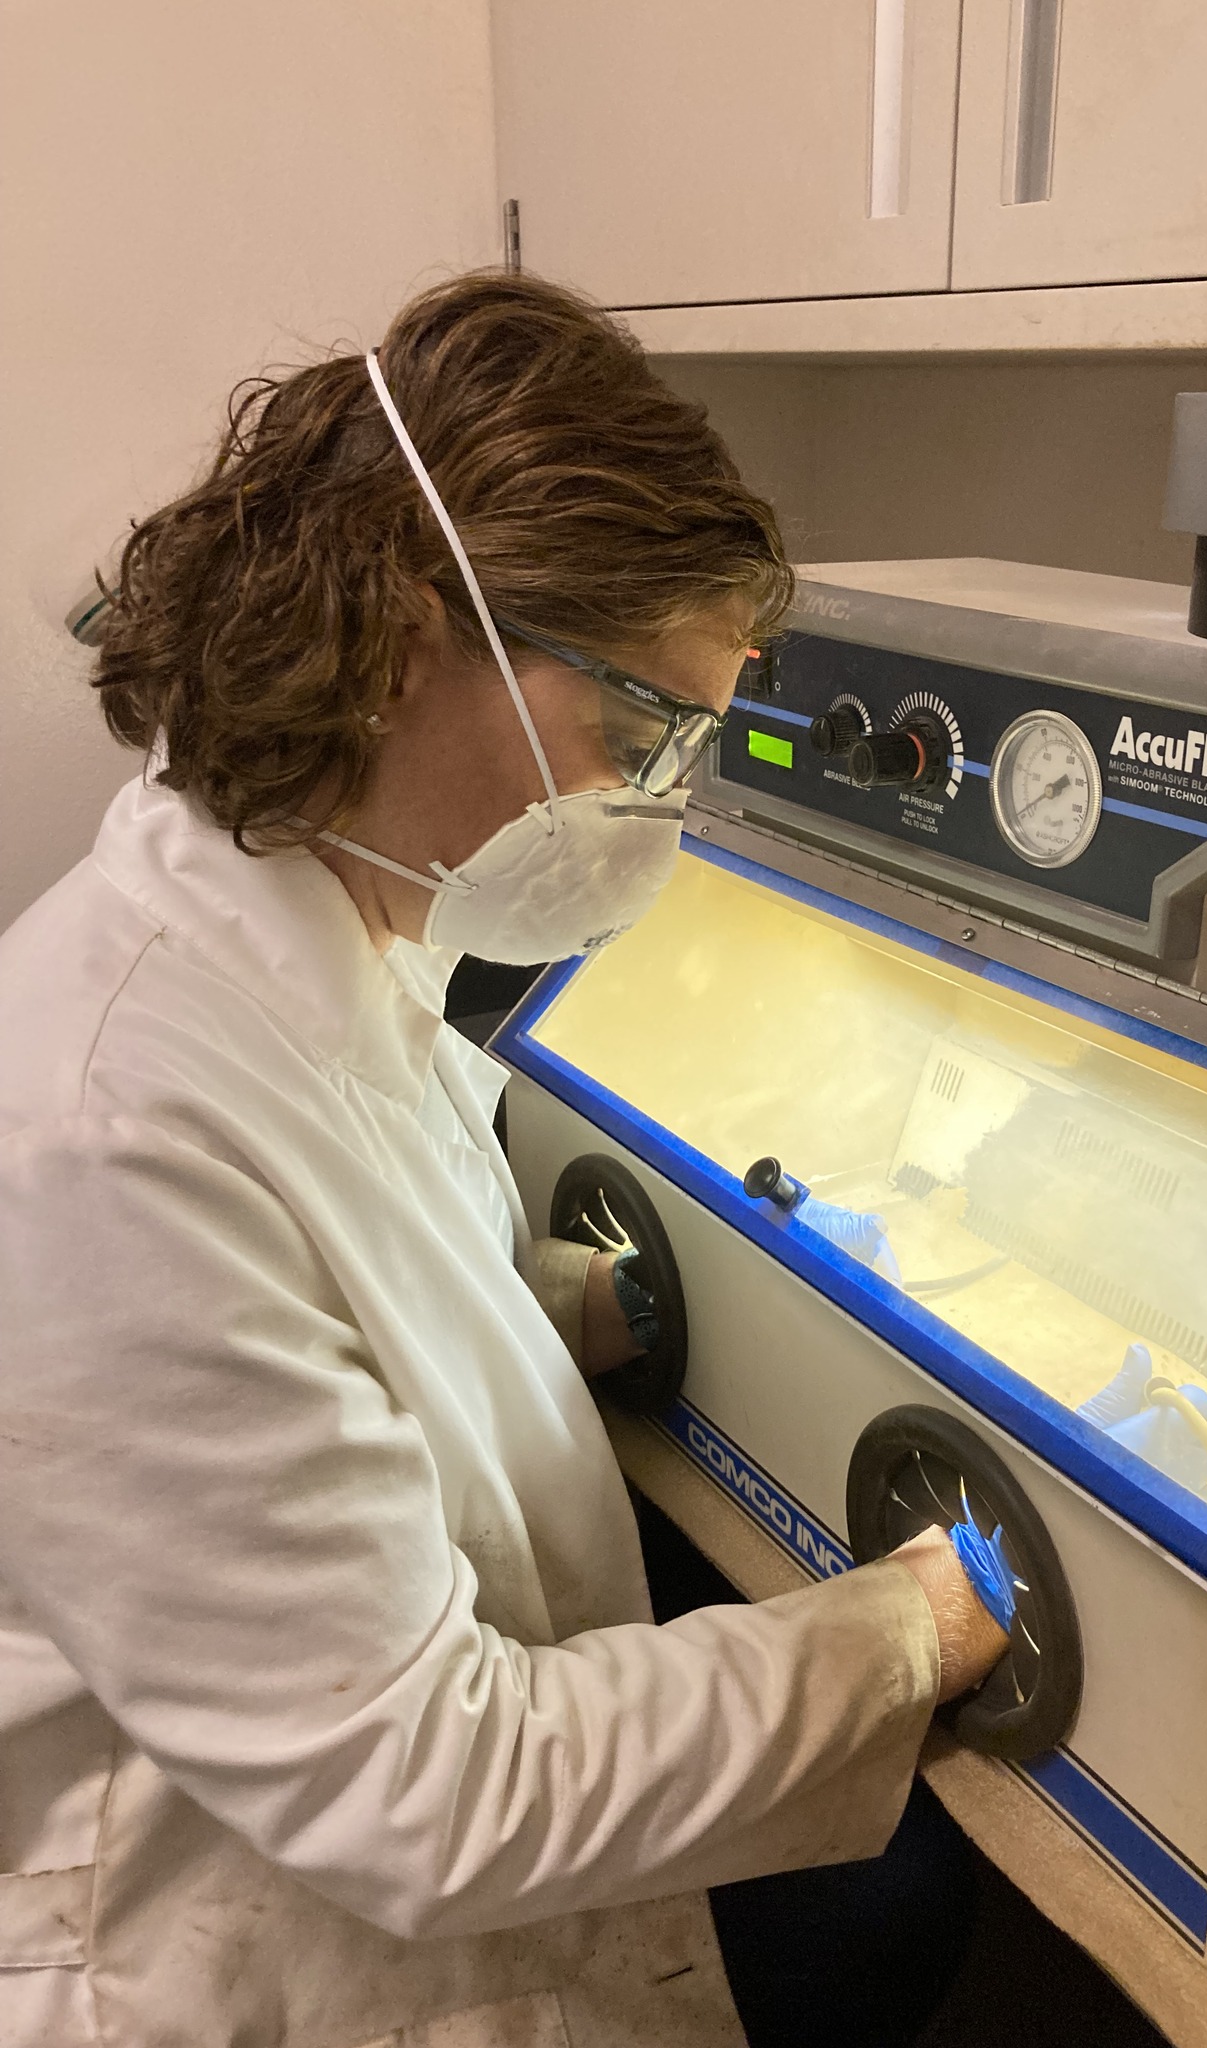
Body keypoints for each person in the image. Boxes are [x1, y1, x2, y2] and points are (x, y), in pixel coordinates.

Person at [0, 272, 1007, 2048]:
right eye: (639, 734)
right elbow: (425, 1785)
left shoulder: (330, 919)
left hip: (329, 1784)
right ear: (407, 632)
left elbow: (348, 1296)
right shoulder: (112, 1125)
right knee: (913, 1890)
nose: (662, 806)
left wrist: (590, 1304)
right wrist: (914, 1628)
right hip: (249, 1938)